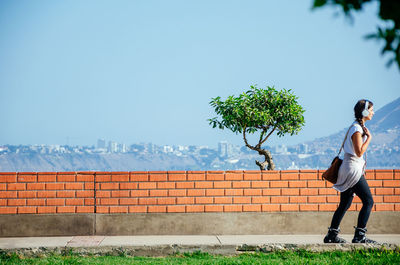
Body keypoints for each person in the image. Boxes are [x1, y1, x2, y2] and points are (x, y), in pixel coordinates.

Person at [324, 99, 377, 244]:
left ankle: (331, 235)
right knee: (368, 201)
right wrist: (369, 139)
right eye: (371, 110)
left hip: (349, 168)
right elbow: (359, 152)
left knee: (345, 204)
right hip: (352, 170)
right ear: (364, 111)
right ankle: (359, 236)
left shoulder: (357, 127)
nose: (373, 112)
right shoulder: (357, 129)